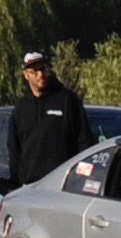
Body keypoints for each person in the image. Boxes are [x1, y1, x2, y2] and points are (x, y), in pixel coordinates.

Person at [13, 49, 92, 186]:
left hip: (63, 184)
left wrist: (81, 178)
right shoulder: (20, 108)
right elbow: (14, 150)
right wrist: (16, 184)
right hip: (31, 187)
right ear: (26, 75)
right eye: (35, 71)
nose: (40, 74)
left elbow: (84, 141)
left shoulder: (67, 99)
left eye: (43, 68)